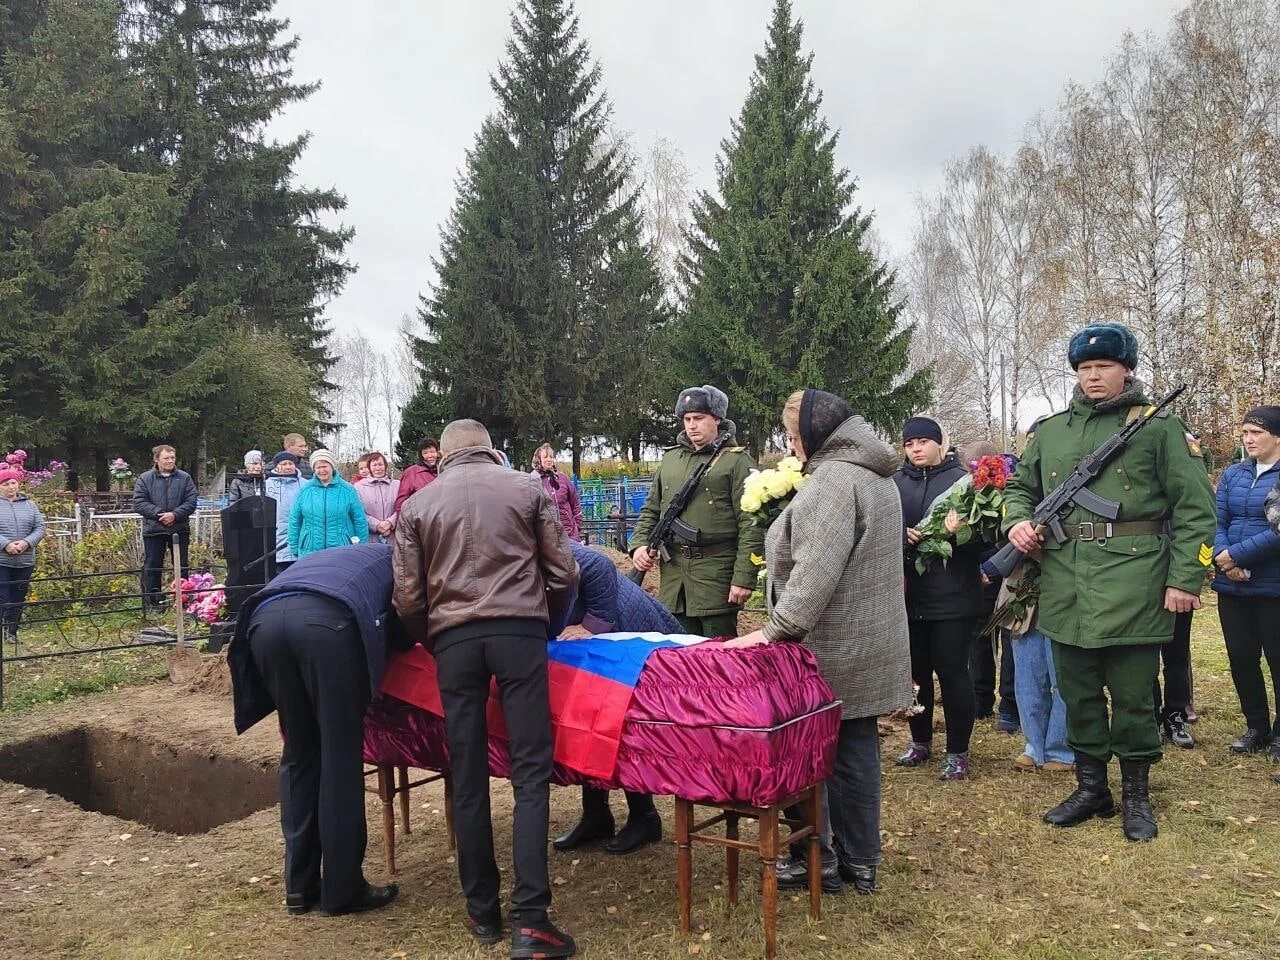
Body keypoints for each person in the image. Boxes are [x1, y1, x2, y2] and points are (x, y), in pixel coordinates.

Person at [1003, 322, 1216, 841]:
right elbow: (1018, 486)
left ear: (1127, 370)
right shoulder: (1051, 431)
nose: (1093, 376)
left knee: (1134, 695)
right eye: (1085, 368)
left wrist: (1185, 577)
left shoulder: (1159, 429)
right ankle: (1092, 788)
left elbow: (1196, 510)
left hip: (1136, 581)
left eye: (1104, 367)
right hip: (1065, 581)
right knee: (1076, 693)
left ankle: (1137, 795)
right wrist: (1017, 520)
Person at [394, 418, 578, 957]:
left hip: (453, 640)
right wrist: (546, 626)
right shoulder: (526, 487)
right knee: (529, 771)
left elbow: (406, 596)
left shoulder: (418, 505)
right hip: (519, 630)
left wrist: (431, 640)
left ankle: (482, 912)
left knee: (468, 773)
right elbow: (564, 572)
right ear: (492, 451)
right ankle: (531, 918)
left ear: (444, 457)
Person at [725, 389, 911, 896]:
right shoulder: (872, 475)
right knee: (855, 749)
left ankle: (819, 857)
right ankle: (860, 861)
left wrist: (774, 630)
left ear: (815, 434)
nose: (791, 444)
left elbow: (816, 571)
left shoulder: (835, 480)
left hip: (832, 645)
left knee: (812, 753)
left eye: (792, 435)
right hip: (867, 637)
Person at [229, 543, 401, 916]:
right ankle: (344, 890)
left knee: (300, 754)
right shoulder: (396, 560)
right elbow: (404, 622)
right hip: (327, 626)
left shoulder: (344, 555)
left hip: (264, 622)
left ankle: (300, 887)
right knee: (339, 759)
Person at [552, 542, 681, 856]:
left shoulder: (525, 525)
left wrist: (591, 624)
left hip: (621, 627)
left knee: (623, 723)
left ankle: (645, 816)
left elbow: (598, 565)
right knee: (586, 719)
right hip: (592, 637)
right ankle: (596, 815)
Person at [893, 416, 986, 781]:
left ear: (940, 443)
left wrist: (960, 534)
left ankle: (958, 752)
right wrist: (900, 536)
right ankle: (920, 742)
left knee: (952, 674)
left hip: (953, 596)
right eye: (909, 443)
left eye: (923, 441)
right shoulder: (895, 484)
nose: (916, 449)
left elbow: (985, 538)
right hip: (909, 597)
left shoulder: (962, 482)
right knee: (915, 675)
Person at [630, 385, 764, 637]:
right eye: (687, 419)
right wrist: (638, 545)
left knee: (718, 660)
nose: (692, 425)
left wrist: (743, 578)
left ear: (717, 419)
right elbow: (651, 509)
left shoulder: (737, 462)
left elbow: (752, 525)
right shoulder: (671, 460)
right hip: (674, 580)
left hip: (716, 579)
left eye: (699, 418)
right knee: (681, 660)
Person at [1212, 405, 1280, 760]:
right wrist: (1225, 559)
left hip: (1273, 585)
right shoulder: (1235, 474)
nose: (1248, 439)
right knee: (1241, 658)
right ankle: (1257, 726)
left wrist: (1238, 556)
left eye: (1256, 432)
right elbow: (1216, 519)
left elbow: (1278, 531)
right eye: (1245, 433)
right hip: (1232, 585)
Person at [996, 557, 1075, 773]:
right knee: (1027, 676)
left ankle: (1061, 749)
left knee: (1064, 677)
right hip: (1023, 592)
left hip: (1067, 584)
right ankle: (1034, 747)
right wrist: (1016, 530)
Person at [132, 444, 198, 613]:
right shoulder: (145, 479)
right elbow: (139, 502)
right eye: (166, 458)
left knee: (181, 566)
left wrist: (175, 515)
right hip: (154, 529)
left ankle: (183, 601)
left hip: (179, 528)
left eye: (172, 458)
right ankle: (153, 603)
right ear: (156, 459)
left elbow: (191, 501)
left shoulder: (184, 478)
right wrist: (161, 514)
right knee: (153, 567)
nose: (170, 461)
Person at [287, 450, 367, 559]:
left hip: (342, 550)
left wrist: (361, 547)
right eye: (318, 467)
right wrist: (295, 547)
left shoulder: (348, 490)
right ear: (314, 469)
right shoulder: (304, 491)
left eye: (325, 466)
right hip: (309, 551)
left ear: (332, 467)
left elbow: (359, 520)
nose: (322, 470)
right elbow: (295, 520)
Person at [0, 464, 45, 641]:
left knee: (19, 596)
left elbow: (39, 528)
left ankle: (11, 631)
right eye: (5, 484)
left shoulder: (30, 505)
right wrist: (6, 545)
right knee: (3, 596)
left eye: (13, 483)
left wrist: (27, 543)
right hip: (2, 560)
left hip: (25, 560)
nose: (11, 487)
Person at [533, 444, 583, 543]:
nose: (549, 459)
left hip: (569, 533)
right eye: (545, 457)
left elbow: (575, 504)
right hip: (547, 536)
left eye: (551, 457)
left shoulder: (563, 478)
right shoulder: (533, 481)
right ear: (539, 459)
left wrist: (577, 527)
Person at [266, 452, 304, 574]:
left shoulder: (305, 484)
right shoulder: (267, 486)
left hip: (302, 539)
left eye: (290, 463)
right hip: (277, 540)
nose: (288, 467)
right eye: (284, 464)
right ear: (277, 466)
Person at [393, 437, 440, 516]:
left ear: (438, 452)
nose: (430, 456)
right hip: (421, 520)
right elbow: (401, 502)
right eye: (425, 453)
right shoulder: (411, 473)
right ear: (421, 455)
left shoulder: (444, 470)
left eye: (432, 451)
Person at [357, 452, 397, 544]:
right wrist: (377, 525)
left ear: (385, 466)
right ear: (369, 467)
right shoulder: (358, 487)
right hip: (370, 539)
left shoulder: (397, 485)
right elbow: (358, 512)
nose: (378, 468)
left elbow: (402, 507)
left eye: (380, 464)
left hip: (394, 537)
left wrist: (390, 523)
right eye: (374, 465)